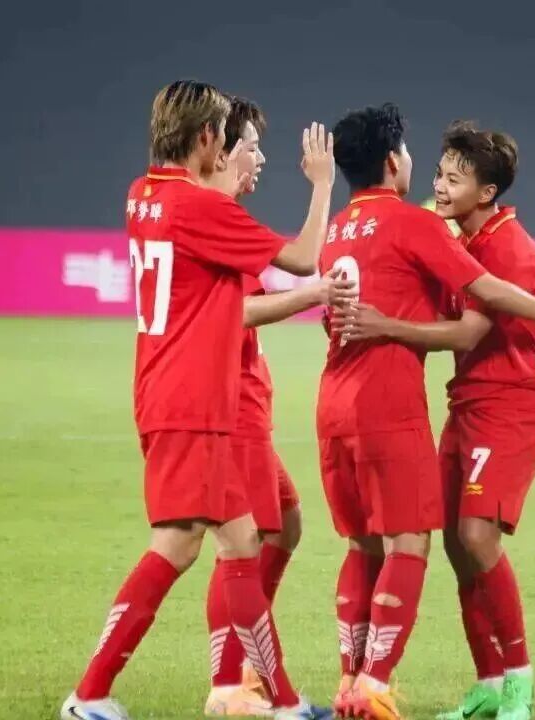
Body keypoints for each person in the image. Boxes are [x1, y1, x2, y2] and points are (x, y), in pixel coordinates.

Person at [60, 80, 335, 720]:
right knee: (178, 545)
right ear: (208, 137)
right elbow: (303, 258)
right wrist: (322, 185)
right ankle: (89, 694)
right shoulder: (199, 207)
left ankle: (282, 702)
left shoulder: (143, 194)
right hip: (190, 400)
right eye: (229, 138)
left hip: (175, 391)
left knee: (240, 543)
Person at [321, 103, 535, 720]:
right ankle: (488, 684)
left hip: (508, 406)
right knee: (452, 544)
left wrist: (385, 325)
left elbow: (471, 331)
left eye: (455, 178)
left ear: (487, 192)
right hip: (463, 406)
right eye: (439, 174)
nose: (440, 186)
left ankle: (519, 684)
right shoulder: (455, 238)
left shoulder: (510, 247)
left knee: (475, 536)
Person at [202, 96, 356, 717]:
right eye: (252, 146)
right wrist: (322, 187)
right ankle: (229, 684)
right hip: (231, 404)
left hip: (246, 402)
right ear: (219, 149)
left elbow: (260, 290)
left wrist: (313, 290)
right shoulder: (210, 217)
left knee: (283, 525)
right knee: (240, 544)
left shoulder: (223, 216)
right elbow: (242, 307)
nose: (261, 158)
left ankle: (243, 666)